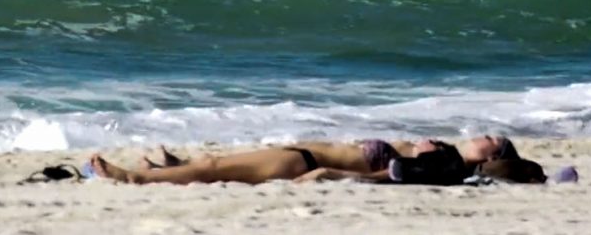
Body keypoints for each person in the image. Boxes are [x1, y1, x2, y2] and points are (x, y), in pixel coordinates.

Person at [89, 135, 537, 187]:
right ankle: (166, 169)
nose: (481, 135)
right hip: (299, 155)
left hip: (302, 164)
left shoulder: (447, 164)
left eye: (489, 141)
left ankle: (136, 179)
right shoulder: (446, 153)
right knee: (211, 164)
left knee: (212, 169)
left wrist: (333, 173)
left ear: (492, 156)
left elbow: (394, 176)